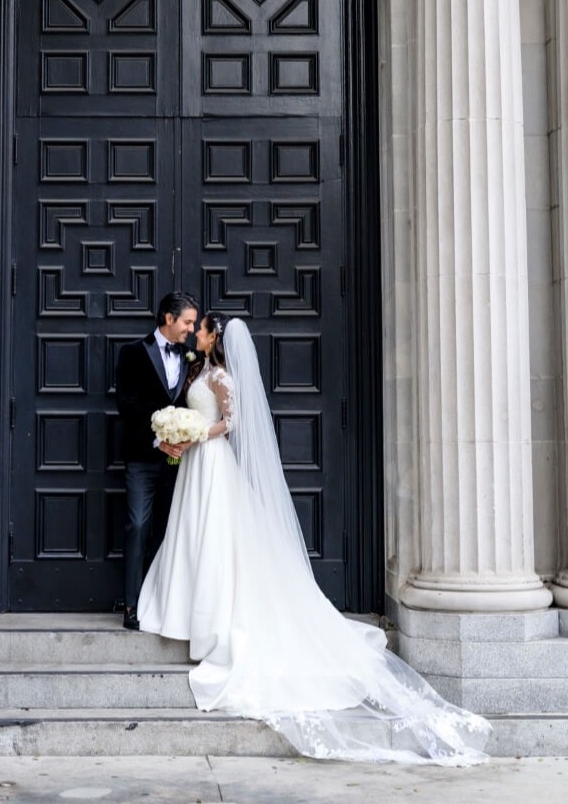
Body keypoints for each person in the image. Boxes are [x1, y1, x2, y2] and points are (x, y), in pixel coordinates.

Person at [137, 311, 491, 765]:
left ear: (212, 338)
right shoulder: (198, 370)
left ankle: (211, 618)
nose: (195, 334)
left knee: (217, 540)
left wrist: (199, 432)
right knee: (192, 536)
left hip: (214, 462)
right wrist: (178, 431)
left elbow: (234, 420)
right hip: (195, 467)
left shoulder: (222, 376)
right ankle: (182, 610)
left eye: (200, 329)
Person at [115, 290, 199, 631]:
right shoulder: (132, 354)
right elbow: (127, 405)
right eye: (187, 322)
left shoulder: (193, 358)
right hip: (143, 458)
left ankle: (163, 603)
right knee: (138, 526)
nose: (191, 330)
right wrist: (157, 441)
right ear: (168, 317)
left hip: (182, 464)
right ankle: (132, 604)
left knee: (172, 531)